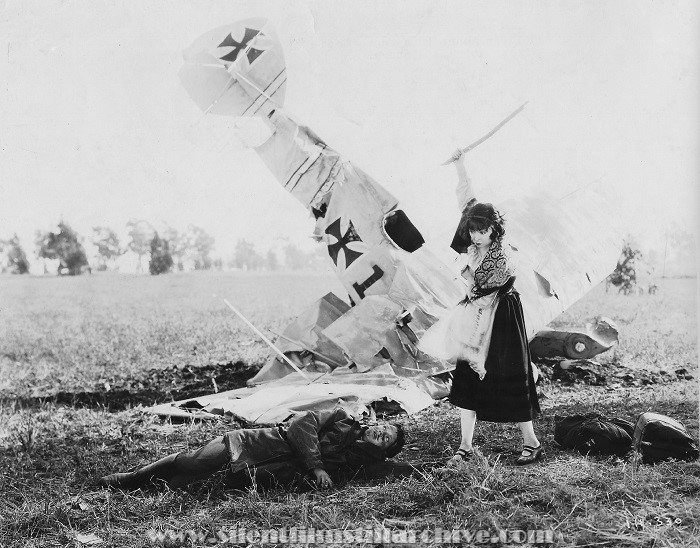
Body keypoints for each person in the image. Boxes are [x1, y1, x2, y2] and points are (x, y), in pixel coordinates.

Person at [441, 148, 542, 466]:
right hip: (476, 314)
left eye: (483, 230)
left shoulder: (503, 253)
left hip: (501, 317)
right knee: (467, 378)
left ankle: (532, 442)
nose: (476, 235)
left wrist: (471, 277)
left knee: (509, 377)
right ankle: (466, 446)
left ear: (495, 229)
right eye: (472, 229)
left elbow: (491, 286)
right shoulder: (473, 241)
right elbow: (467, 200)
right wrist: (460, 166)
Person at [98, 407, 412, 491]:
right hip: (257, 443)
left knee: (183, 484)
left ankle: (147, 484)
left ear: (382, 451)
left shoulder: (364, 463)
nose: (381, 432)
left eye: (387, 439)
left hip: (268, 470)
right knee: (195, 463)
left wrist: (449, 465)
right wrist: (316, 465)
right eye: (384, 427)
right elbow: (301, 425)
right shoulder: (342, 418)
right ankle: (130, 478)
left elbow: (401, 471)